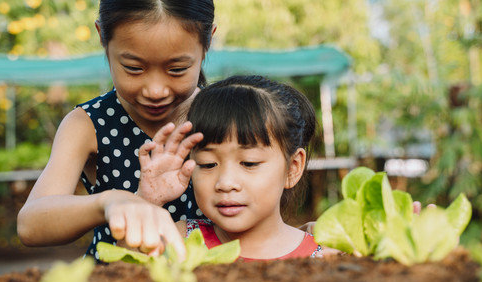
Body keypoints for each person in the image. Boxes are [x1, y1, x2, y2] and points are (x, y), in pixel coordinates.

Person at [17, 0, 215, 261]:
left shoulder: (228, 115)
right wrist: (111, 202)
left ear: (207, 43)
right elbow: (31, 223)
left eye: (177, 69)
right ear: (102, 38)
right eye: (133, 68)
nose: (155, 90)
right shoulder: (88, 124)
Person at [139, 75, 340, 260]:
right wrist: (148, 202)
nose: (225, 183)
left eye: (249, 163)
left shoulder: (326, 256)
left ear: (292, 168)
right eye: (208, 164)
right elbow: (127, 271)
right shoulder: (180, 239)